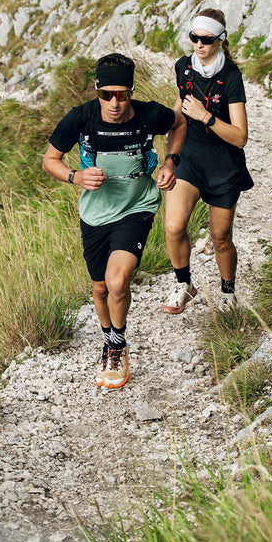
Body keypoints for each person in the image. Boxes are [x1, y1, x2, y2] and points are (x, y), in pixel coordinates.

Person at [43, 53, 185, 389]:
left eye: (121, 95)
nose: (114, 103)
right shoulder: (81, 118)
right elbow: (50, 160)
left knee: (117, 282)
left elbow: (179, 124)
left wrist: (170, 162)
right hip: (95, 213)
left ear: (131, 91)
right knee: (100, 288)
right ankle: (108, 339)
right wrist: (75, 176)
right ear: (97, 91)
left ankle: (118, 347)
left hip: (137, 206)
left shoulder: (149, 114)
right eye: (106, 95)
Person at [160, 8, 253, 314]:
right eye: (194, 37)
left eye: (206, 39)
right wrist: (168, 153)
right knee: (173, 226)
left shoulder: (231, 77)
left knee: (220, 238)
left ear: (220, 40)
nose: (199, 44)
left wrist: (206, 116)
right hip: (189, 158)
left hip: (224, 164)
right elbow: (179, 109)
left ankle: (228, 292)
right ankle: (184, 284)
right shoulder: (183, 67)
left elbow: (240, 137)